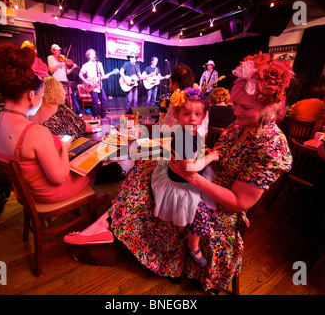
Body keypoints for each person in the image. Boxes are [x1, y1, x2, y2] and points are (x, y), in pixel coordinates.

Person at [64, 52, 293, 292]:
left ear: (271, 106)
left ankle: (110, 225)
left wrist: (190, 175)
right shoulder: (240, 125)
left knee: (145, 189)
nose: (235, 112)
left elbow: (239, 202)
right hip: (202, 179)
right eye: (234, 104)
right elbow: (215, 153)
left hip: (219, 206)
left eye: (244, 106)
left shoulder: (272, 146)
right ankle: (107, 223)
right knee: (143, 170)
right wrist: (189, 162)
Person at [0, 43, 107, 206]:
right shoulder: (34, 132)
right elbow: (59, 178)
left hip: (26, 194)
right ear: (31, 95)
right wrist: (63, 147)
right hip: (49, 194)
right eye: (42, 95)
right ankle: (93, 204)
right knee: (93, 164)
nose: (42, 99)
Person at [152, 87, 219, 267]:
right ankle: (193, 246)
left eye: (197, 114)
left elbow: (196, 152)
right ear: (177, 113)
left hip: (188, 176)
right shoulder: (183, 137)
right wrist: (210, 157)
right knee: (201, 214)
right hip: (182, 183)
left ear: (204, 116)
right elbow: (190, 168)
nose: (192, 119)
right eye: (187, 114)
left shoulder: (191, 133)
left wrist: (205, 151)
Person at [159, 64, 209, 138]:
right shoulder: (201, 100)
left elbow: (163, 129)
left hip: (181, 146)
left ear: (175, 83)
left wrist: (163, 109)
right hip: (199, 144)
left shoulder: (179, 100)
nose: (169, 86)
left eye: (170, 83)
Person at [47, 44, 80, 113]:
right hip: (56, 81)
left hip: (65, 81)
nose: (59, 51)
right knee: (58, 98)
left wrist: (72, 68)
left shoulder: (62, 59)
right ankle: (58, 113)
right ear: (53, 51)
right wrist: (59, 64)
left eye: (59, 50)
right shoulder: (50, 58)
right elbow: (51, 70)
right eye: (57, 50)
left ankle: (71, 112)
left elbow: (67, 72)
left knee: (69, 97)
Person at [79, 49, 109, 119]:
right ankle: (94, 116)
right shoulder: (86, 65)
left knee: (104, 100)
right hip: (91, 85)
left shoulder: (99, 64)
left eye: (94, 53)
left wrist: (105, 77)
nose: (94, 55)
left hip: (99, 85)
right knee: (95, 101)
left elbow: (102, 75)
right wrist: (86, 82)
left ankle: (103, 115)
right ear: (88, 56)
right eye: (92, 54)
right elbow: (80, 74)